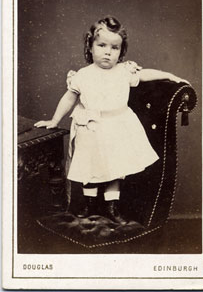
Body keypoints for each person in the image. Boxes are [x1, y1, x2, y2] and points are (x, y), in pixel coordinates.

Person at [35, 16, 188, 225]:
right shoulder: (82, 75)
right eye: (102, 45)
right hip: (91, 128)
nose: (108, 52)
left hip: (118, 127)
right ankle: (89, 205)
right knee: (90, 167)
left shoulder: (124, 71)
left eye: (115, 48)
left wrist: (168, 75)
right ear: (90, 47)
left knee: (115, 167)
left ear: (121, 51)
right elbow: (69, 98)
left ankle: (111, 206)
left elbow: (145, 75)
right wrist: (54, 120)